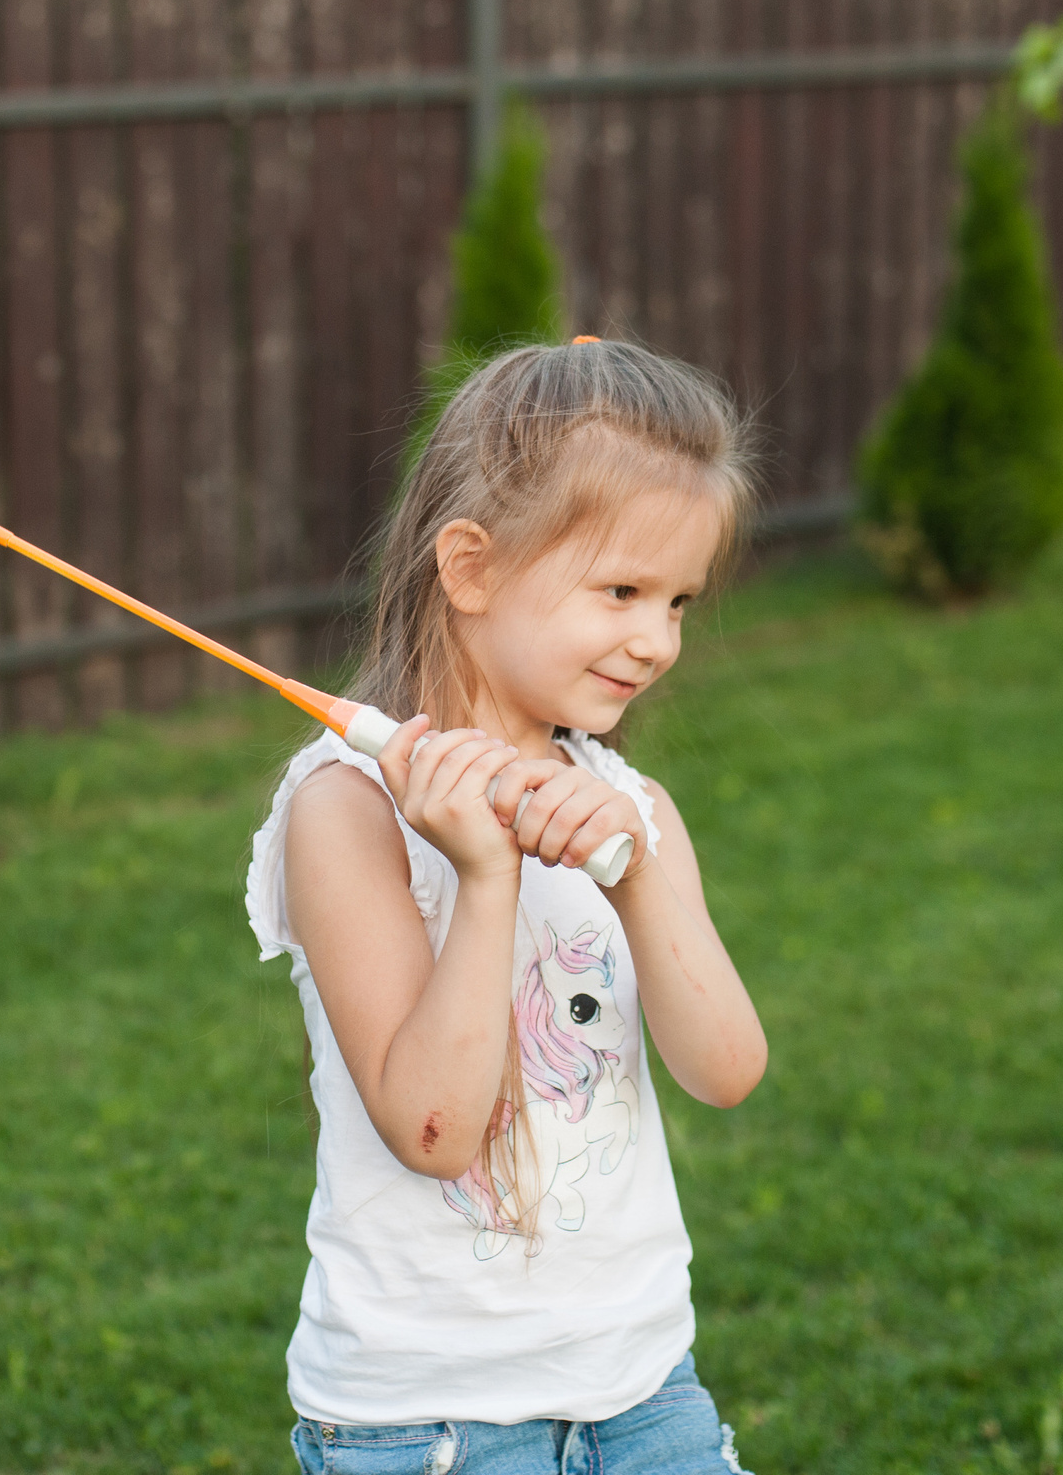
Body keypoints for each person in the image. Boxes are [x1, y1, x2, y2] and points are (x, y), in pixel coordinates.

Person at [243, 336, 769, 1475]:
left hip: (645, 1392)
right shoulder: (344, 812)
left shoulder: (629, 805)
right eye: (622, 592)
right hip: (430, 1428)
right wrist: (486, 882)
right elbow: (432, 1131)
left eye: (677, 600)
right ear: (470, 568)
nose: (656, 641)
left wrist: (638, 875)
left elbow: (724, 1071)